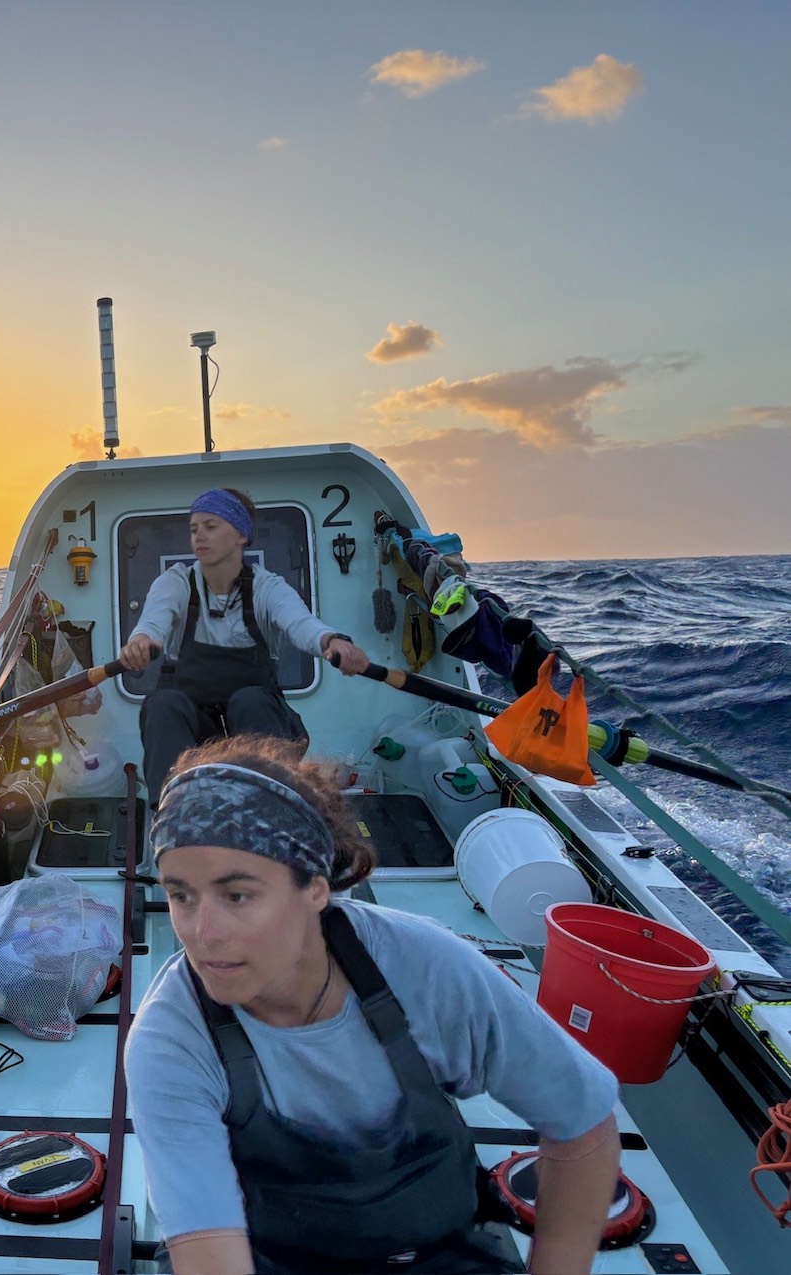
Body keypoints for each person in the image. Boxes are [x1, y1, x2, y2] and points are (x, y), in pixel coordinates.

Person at [125, 735, 622, 1275]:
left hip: (441, 1256)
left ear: (316, 888)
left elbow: (582, 1121)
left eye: (237, 895)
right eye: (181, 896)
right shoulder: (170, 1043)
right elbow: (211, 1255)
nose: (202, 933)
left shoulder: (428, 969)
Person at [118, 488, 369, 804]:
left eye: (211, 526)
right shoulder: (175, 583)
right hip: (196, 732)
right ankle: (176, 809)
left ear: (240, 534)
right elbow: (152, 625)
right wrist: (140, 643)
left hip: (258, 724)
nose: (199, 537)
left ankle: (273, 805)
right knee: (162, 703)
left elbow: (301, 624)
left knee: (249, 700)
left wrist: (332, 641)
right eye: (194, 529)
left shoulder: (268, 587)